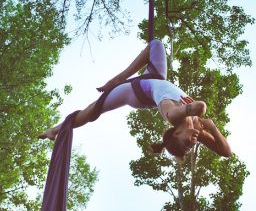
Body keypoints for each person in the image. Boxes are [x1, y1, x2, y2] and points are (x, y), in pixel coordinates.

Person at [39, 39, 232, 159]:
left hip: (136, 92)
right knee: (155, 44)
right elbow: (226, 152)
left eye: (186, 144)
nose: (192, 143)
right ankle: (120, 78)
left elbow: (198, 107)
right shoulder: (198, 127)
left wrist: (194, 111)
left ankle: (55, 130)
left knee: (94, 110)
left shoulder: (173, 117)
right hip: (157, 77)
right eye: (191, 147)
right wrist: (213, 127)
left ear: (176, 134)